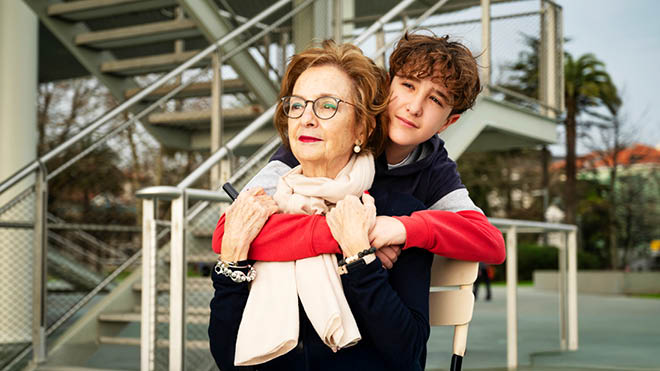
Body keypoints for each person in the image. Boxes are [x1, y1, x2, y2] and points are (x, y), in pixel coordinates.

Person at [211, 33, 505, 369]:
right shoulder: (312, 141)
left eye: (436, 100)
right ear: (386, 85)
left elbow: (490, 241)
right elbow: (233, 230)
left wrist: (400, 228)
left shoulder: (431, 172)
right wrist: (347, 238)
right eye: (407, 86)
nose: (414, 106)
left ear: (449, 122)